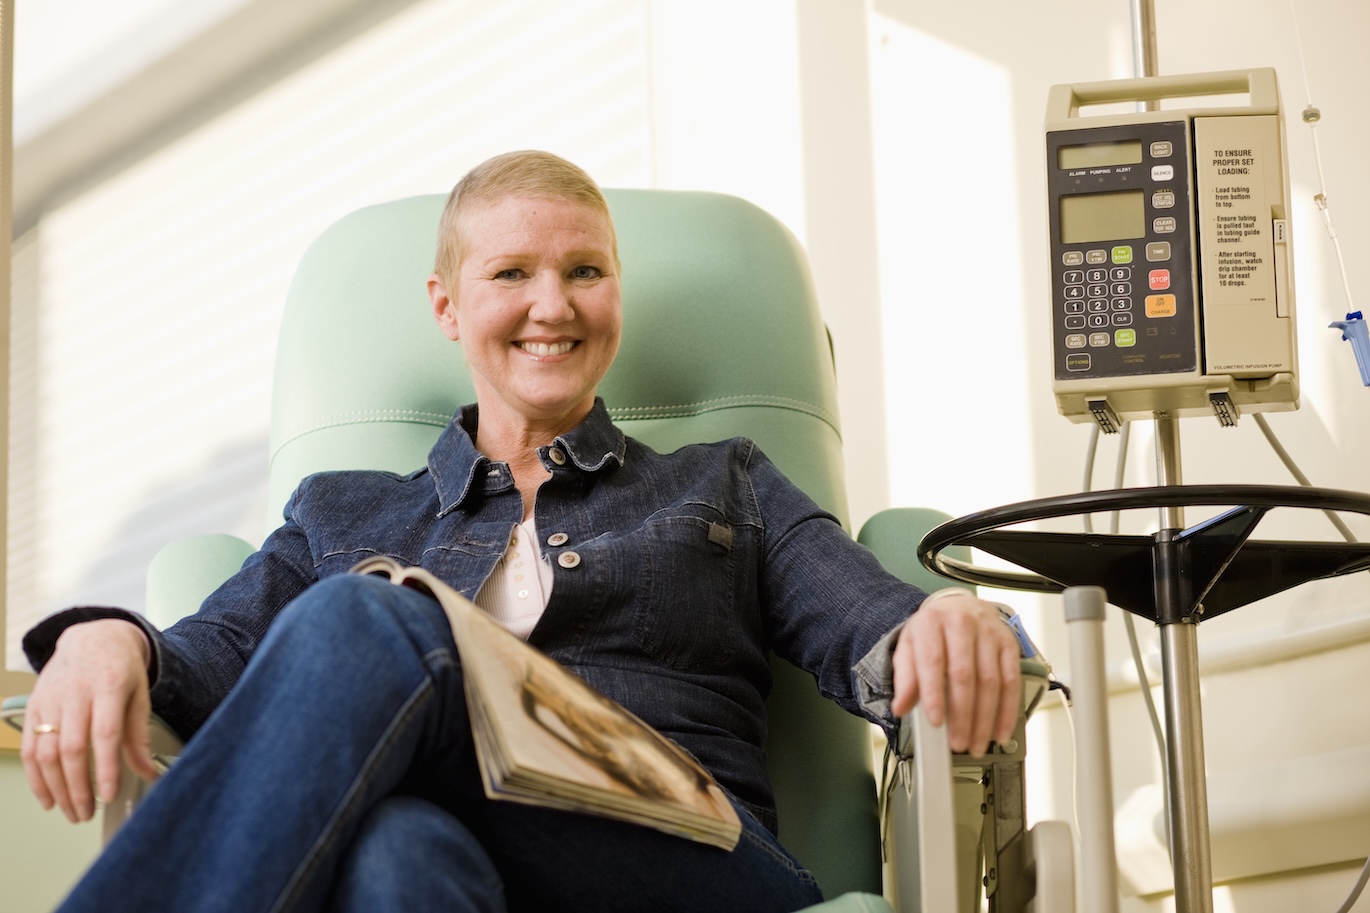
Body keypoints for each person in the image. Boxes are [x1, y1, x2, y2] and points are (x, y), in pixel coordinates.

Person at [19, 150, 1022, 913]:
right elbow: (209, 662)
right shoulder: (342, 511)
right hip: (468, 869)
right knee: (395, 854)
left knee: (371, 620)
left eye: (585, 270)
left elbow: (868, 619)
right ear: (447, 307)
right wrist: (105, 634)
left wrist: (946, 623)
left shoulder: (724, 482)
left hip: (687, 858)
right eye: (512, 274)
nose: (554, 304)